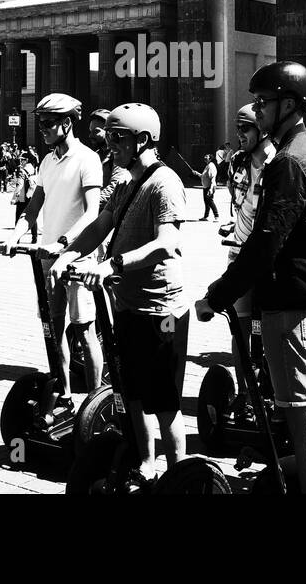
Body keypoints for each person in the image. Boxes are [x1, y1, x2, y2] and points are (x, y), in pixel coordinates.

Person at [197, 61, 306, 494]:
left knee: (303, 418)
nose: (256, 111)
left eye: (264, 102)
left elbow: (265, 246)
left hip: (295, 301)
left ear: (291, 104)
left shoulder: (288, 162)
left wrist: (217, 297)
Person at [52, 103, 190, 487]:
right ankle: (147, 464)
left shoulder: (165, 183)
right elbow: (102, 224)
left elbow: (167, 243)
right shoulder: (127, 181)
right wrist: (69, 254)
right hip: (128, 304)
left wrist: (114, 265)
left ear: (142, 140)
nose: (109, 144)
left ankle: (179, 475)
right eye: (109, 136)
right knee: (131, 392)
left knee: (164, 402)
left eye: (117, 137)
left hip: (162, 308)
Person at [0, 93, 104, 410]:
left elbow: (91, 213)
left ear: (67, 123)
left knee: (84, 329)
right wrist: (14, 237)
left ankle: (96, 402)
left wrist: (62, 243)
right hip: (49, 257)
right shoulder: (47, 161)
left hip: (79, 256)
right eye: (40, 122)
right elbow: (32, 209)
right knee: (52, 326)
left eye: (48, 123)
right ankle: (66, 394)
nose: (42, 129)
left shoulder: (88, 160)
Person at [220, 104, 275, 414]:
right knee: (239, 330)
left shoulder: (277, 163)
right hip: (238, 253)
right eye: (238, 128)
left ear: (262, 130)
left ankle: (268, 394)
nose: (239, 135)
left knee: (266, 331)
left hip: (267, 259)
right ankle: (245, 393)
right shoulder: (238, 162)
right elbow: (242, 205)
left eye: (246, 129)